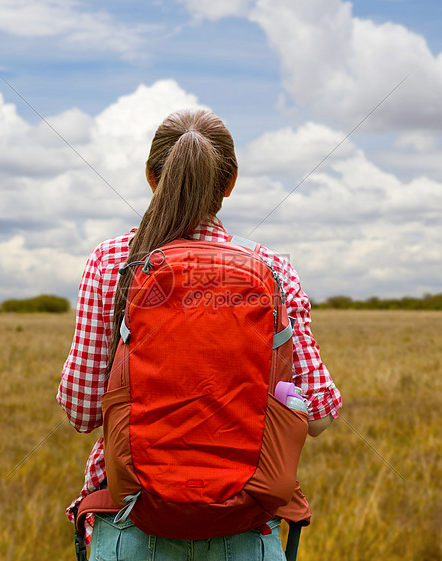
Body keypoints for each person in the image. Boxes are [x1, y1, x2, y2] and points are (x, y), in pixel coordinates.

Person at [58, 109, 342, 560]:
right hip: (245, 524)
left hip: (130, 519)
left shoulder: (111, 260)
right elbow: (321, 414)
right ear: (229, 183)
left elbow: (80, 410)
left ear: (152, 178)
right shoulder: (271, 267)